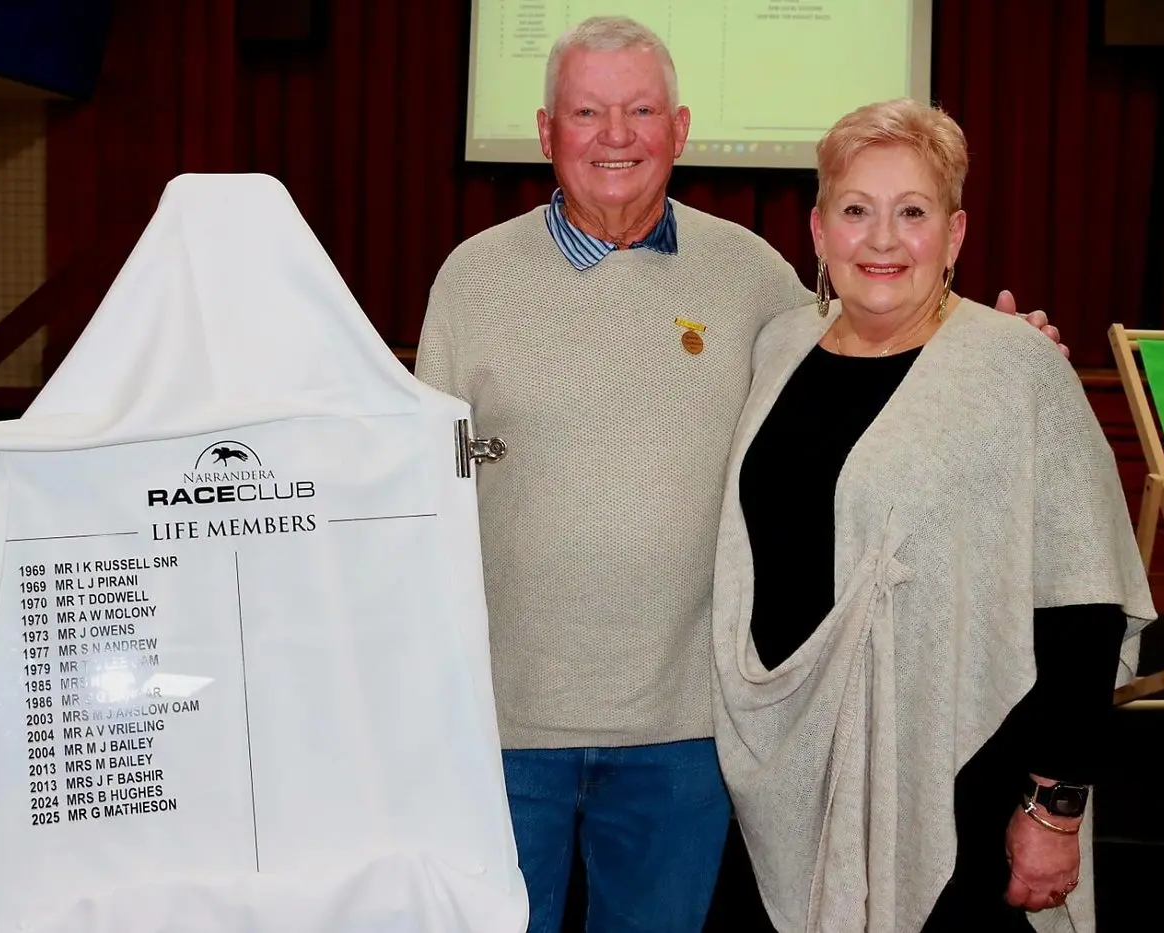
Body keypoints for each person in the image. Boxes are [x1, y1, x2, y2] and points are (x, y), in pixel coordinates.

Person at [416, 17, 1066, 933]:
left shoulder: (754, 278)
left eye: (640, 110)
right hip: (500, 722)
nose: (615, 135)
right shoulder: (471, 280)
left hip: (689, 731)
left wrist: (995, 348)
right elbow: (416, 495)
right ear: (544, 128)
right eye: (588, 111)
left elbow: (870, 345)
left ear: (679, 130)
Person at [710, 97, 1156, 933]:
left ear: (952, 236)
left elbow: (1082, 603)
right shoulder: (777, 348)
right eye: (855, 210)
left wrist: (1052, 809)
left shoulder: (1012, 368)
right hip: (785, 776)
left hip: (958, 783)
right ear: (816, 231)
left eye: (911, 212)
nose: (881, 239)